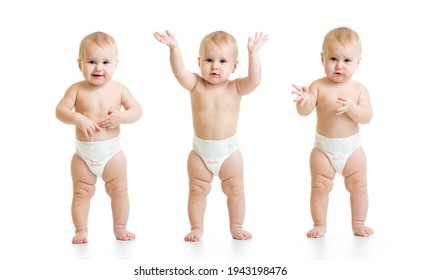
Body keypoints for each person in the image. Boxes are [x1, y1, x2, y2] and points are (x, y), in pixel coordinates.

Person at [154, 30, 268, 242]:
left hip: (229, 152)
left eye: (223, 61)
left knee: (236, 190)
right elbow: (179, 73)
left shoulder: (236, 86)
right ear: (199, 62)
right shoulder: (196, 84)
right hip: (200, 153)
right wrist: (174, 48)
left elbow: (255, 80)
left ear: (234, 66)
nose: (215, 66)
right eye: (209, 60)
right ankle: (196, 227)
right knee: (196, 191)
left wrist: (253, 54)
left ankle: (236, 226)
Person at [56, 31, 142, 244]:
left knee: (119, 190)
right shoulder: (76, 89)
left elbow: (137, 110)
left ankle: (120, 227)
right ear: (80, 64)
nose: (98, 68)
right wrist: (77, 118)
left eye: (105, 62)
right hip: (83, 155)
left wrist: (121, 117)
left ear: (115, 64)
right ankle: (81, 230)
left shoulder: (119, 89)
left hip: (112, 153)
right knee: (81, 192)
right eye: (91, 62)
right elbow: (60, 111)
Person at [292, 27, 374, 238]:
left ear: (358, 62)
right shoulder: (318, 86)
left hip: (352, 150)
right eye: (333, 58)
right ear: (322, 59)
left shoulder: (359, 89)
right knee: (319, 187)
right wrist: (304, 100)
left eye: (347, 60)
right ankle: (319, 223)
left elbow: (367, 117)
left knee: (359, 186)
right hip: (323, 150)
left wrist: (352, 109)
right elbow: (304, 112)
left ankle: (358, 222)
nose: (339, 65)